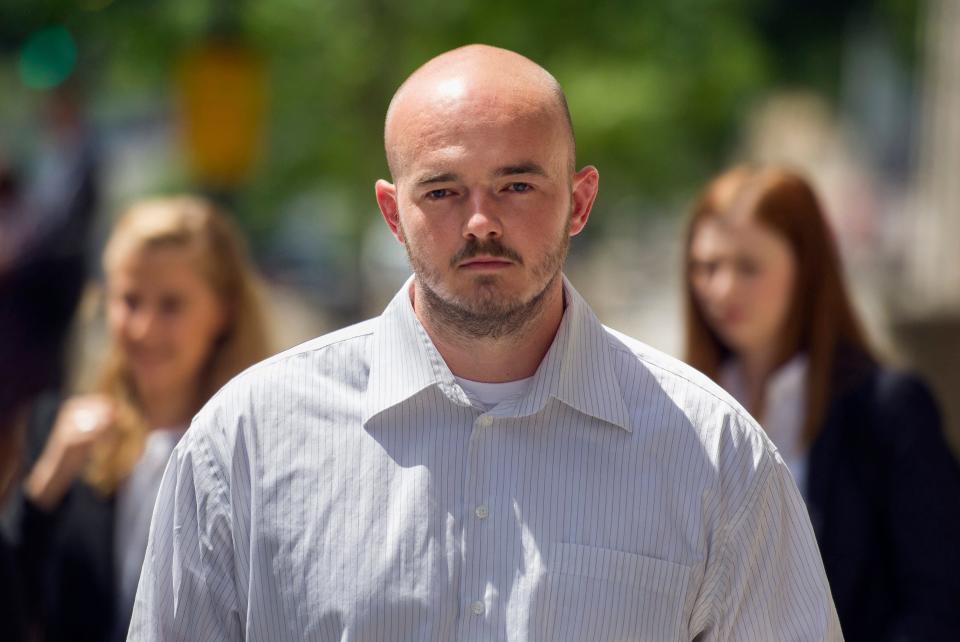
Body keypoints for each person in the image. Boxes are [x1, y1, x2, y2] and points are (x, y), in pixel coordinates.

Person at [130, 45, 841, 641]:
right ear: (391, 212)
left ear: (580, 201)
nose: (479, 221)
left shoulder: (716, 458)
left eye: (517, 184)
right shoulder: (244, 444)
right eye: (441, 191)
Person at [683, 165, 960, 641]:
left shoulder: (888, 411)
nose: (722, 289)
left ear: (807, 270)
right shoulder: (678, 405)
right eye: (707, 266)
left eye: (748, 267)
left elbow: (940, 603)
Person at [19, 196, 272, 641]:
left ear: (224, 311)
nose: (144, 329)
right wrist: (43, 489)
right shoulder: (61, 432)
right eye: (130, 301)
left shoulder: (263, 444)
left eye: (171, 305)